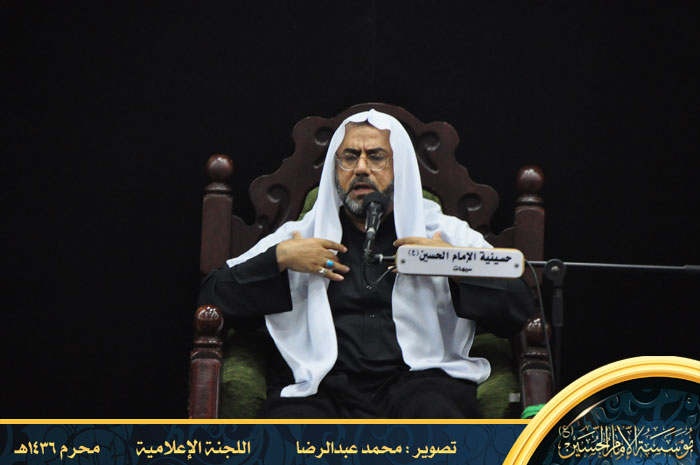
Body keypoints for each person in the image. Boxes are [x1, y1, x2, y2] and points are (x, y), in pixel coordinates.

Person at [198, 109, 535, 418]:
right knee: (292, 424)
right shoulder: (301, 236)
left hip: (418, 382)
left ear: (400, 167)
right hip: (321, 388)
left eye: (375, 156)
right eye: (349, 157)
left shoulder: (441, 233)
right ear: (336, 168)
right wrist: (281, 258)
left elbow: (520, 301)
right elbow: (212, 296)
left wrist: (447, 261)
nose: (361, 168)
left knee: (434, 410)